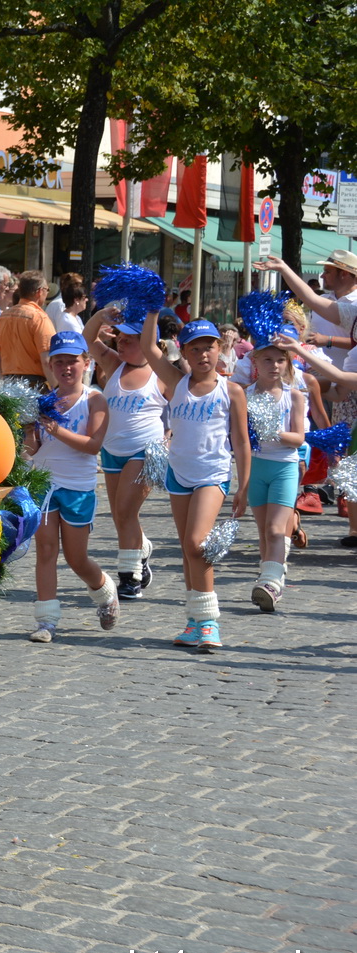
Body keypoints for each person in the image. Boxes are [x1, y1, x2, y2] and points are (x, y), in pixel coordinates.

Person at [138, 313, 250, 652]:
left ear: (221, 349)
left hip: (212, 475)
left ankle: (209, 622)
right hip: (179, 474)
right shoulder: (175, 382)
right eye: (196, 349)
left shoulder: (231, 391)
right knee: (188, 549)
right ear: (184, 353)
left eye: (210, 348)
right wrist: (153, 312)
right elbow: (147, 346)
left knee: (197, 544)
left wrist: (243, 486)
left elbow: (242, 441)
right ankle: (193, 620)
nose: (203, 355)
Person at [255, 251, 357, 546]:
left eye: (330, 270)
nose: (324, 275)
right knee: (350, 466)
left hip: (338, 382)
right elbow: (315, 302)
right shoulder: (348, 325)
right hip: (342, 393)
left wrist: (303, 352)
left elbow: (340, 379)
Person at [24, 332, 118, 642]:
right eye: (59, 362)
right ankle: (46, 621)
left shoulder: (95, 399)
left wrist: (56, 430)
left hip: (78, 487)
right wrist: (28, 428)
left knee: (77, 559)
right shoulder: (43, 401)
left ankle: (104, 590)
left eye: (72, 362)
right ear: (50, 366)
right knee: (46, 550)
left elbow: (93, 445)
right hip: (44, 484)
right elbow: (34, 449)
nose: (66, 368)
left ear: (86, 363)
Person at [83, 306, 164, 599]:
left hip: (144, 449)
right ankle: (140, 548)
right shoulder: (114, 364)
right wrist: (102, 314)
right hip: (112, 450)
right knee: (120, 515)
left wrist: (171, 438)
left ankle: (129, 576)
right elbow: (88, 337)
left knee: (126, 511)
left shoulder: (161, 371)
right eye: (120, 337)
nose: (121, 342)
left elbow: (184, 405)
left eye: (130, 339)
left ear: (146, 342)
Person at [243, 331, 308, 611]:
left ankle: (271, 582)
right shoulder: (244, 394)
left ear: (288, 363)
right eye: (267, 359)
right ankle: (268, 579)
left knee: (274, 529)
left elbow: (299, 438)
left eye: (280, 360)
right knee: (262, 531)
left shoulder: (293, 396)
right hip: (255, 466)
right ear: (255, 360)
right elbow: (238, 436)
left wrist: (273, 432)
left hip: (284, 466)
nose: (274, 365)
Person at [0, 269, 55, 385]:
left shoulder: (4, 316)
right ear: (39, 291)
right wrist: (57, 388)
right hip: (34, 384)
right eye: (47, 290)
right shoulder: (40, 318)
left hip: (9, 383)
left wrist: (5, 378)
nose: (47, 293)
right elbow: (47, 360)